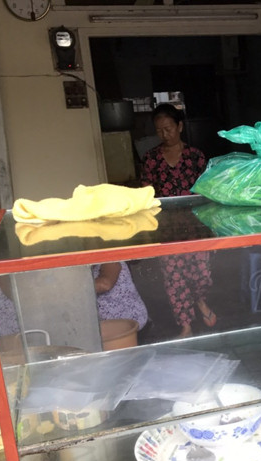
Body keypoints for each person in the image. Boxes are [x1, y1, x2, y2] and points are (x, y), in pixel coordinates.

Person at [140, 103, 216, 336]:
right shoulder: (151, 158)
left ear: (180, 126)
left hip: (196, 225)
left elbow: (207, 190)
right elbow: (146, 193)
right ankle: (185, 324)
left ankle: (199, 300)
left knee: (201, 273)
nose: (164, 134)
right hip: (166, 228)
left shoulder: (196, 156)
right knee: (174, 278)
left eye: (169, 129)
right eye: (159, 130)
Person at [92, 262, 149, 330]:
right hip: (107, 324)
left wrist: (81, 287)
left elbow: (105, 284)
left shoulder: (110, 260)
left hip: (129, 321)